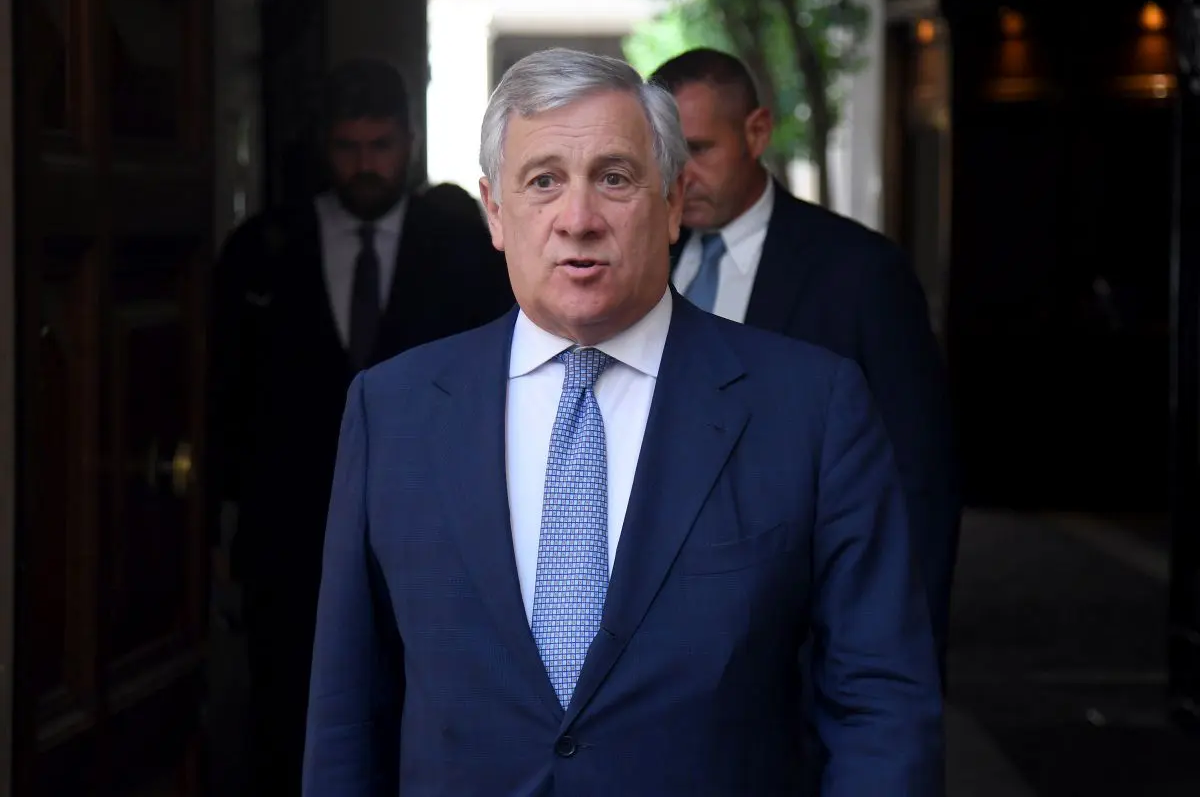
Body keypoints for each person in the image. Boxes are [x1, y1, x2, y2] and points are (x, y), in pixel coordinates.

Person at [303, 48, 944, 795]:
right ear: (495, 212)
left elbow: (881, 707)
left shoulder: (810, 407)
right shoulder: (393, 411)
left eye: (614, 178)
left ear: (672, 203)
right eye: (543, 181)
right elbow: (347, 714)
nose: (578, 220)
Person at [207, 57, 513, 795]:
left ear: (410, 142)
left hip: (434, 529)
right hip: (292, 539)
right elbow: (226, 402)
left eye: (381, 146)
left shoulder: (465, 247)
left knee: (426, 712)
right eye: (349, 147)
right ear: (325, 146)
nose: (367, 164)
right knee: (290, 717)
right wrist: (223, 533)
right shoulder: (265, 248)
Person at [650, 48, 961, 674]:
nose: (681, 176)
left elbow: (918, 479)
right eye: (667, 156)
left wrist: (902, 665)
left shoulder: (860, 273)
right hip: (660, 647)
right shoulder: (643, 259)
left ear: (757, 131)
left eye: (700, 150)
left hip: (803, 643)